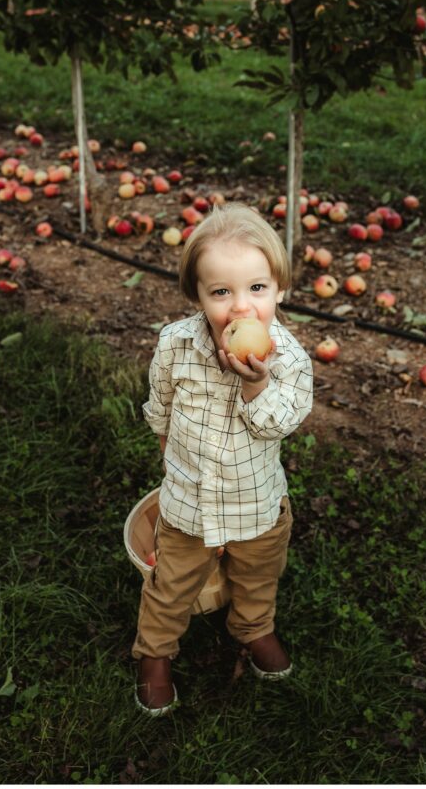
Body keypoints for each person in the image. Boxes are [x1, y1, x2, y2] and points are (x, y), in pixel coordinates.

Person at [131, 202, 314, 716]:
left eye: (257, 289)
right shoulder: (176, 344)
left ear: (279, 289)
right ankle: (155, 653)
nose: (240, 308)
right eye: (221, 292)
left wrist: (257, 383)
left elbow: (277, 423)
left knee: (257, 578)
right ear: (196, 296)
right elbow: (161, 398)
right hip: (188, 503)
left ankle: (254, 629)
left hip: (256, 505)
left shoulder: (289, 362)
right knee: (170, 586)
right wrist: (163, 435)